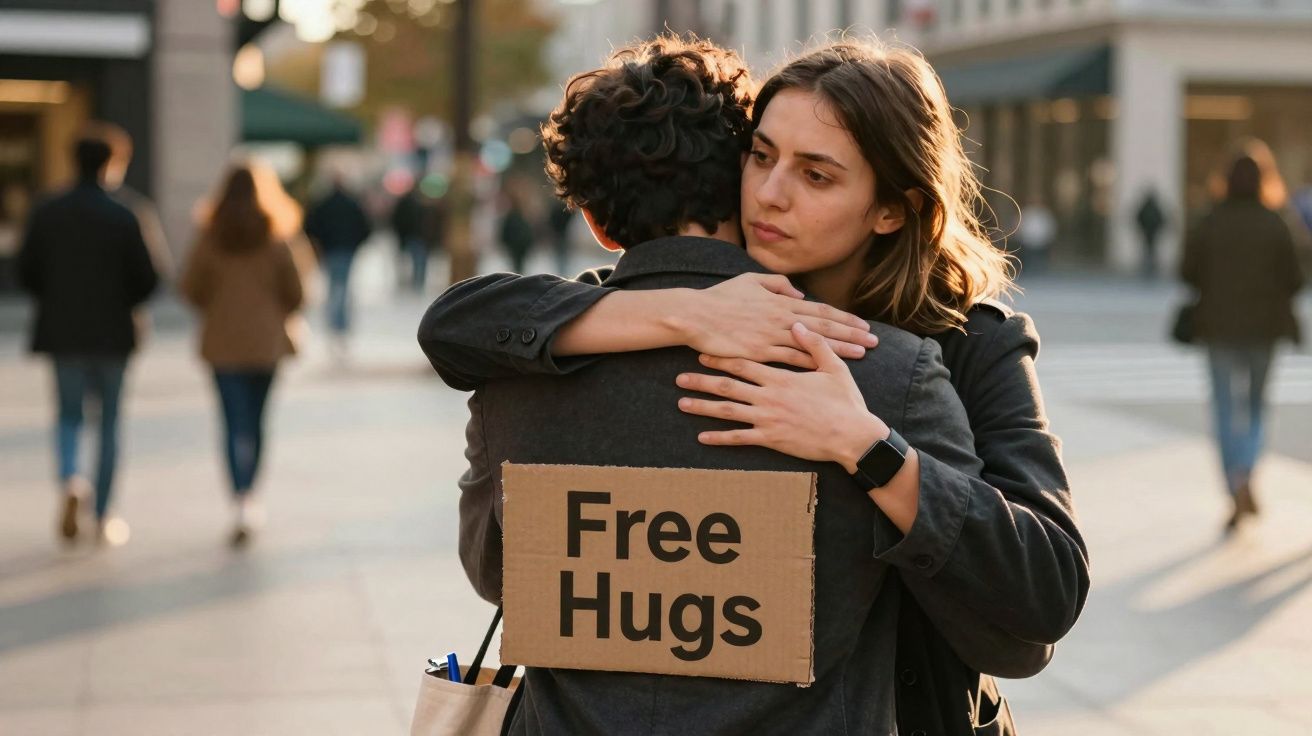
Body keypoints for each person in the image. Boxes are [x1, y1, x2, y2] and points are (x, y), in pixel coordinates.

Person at [420, 36, 1087, 735]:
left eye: (816, 176)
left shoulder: (963, 343)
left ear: (891, 208)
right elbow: (459, 323)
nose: (770, 195)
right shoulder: (632, 320)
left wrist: (867, 446)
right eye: (760, 157)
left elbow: (1039, 598)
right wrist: (688, 311)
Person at [17, 123, 160, 546]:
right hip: (113, 334)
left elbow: (25, 272)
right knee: (110, 422)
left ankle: (69, 479)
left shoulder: (47, 210)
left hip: (62, 331)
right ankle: (103, 512)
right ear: (113, 164)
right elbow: (149, 279)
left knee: (68, 415)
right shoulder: (127, 213)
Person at [180, 162, 315, 546]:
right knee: (256, 422)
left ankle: (239, 496)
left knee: (231, 421)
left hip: (221, 344)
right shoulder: (279, 235)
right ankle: (251, 495)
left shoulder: (209, 236)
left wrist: (218, 307)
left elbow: (189, 287)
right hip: (266, 344)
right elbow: (299, 293)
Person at [1182, 150, 1305, 532]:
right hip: (1265, 328)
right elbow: (1296, 278)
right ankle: (1246, 472)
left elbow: (1186, 272)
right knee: (1254, 405)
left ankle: (1233, 480)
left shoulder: (1209, 220)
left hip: (1218, 327)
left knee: (1222, 408)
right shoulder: (1276, 222)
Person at [304, 174, 371, 351]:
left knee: (335, 287)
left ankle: (335, 324)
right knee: (342, 288)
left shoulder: (323, 204)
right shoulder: (351, 204)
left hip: (330, 251)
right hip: (346, 250)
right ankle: (339, 325)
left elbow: (310, 226)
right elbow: (365, 226)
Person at [391, 182, 431, 292]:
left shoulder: (406, 203)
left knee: (412, 261)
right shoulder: (420, 204)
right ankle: (416, 283)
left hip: (410, 236)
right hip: (416, 236)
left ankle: (412, 283)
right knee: (418, 261)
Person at [497, 183, 536, 274]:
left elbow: (506, 230)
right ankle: (519, 275)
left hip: (517, 244)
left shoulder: (512, 215)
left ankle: (518, 276)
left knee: (517, 263)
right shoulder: (521, 214)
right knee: (519, 264)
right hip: (519, 244)